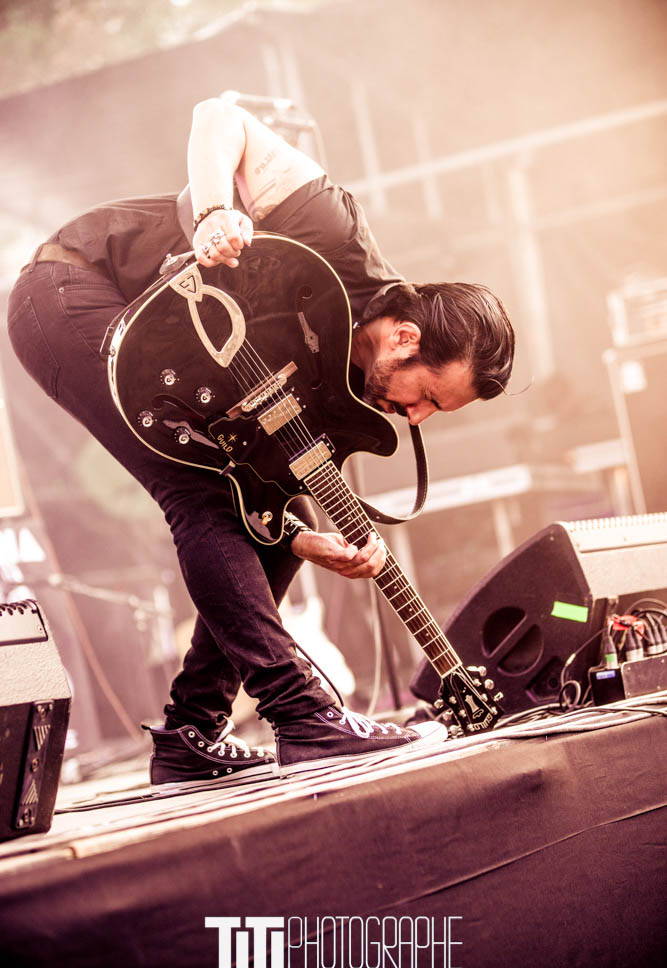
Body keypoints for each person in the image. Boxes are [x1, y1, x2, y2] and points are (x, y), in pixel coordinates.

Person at [6, 96, 515, 785]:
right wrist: (217, 211)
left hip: (148, 337)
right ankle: (299, 713)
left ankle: (192, 729)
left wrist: (296, 540)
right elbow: (219, 113)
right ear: (404, 337)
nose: (415, 416)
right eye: (426, 395)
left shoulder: (340, 390)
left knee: (282, 509)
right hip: (68, 291)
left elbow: (265, 504)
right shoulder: (332, 233)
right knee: (199, 493)